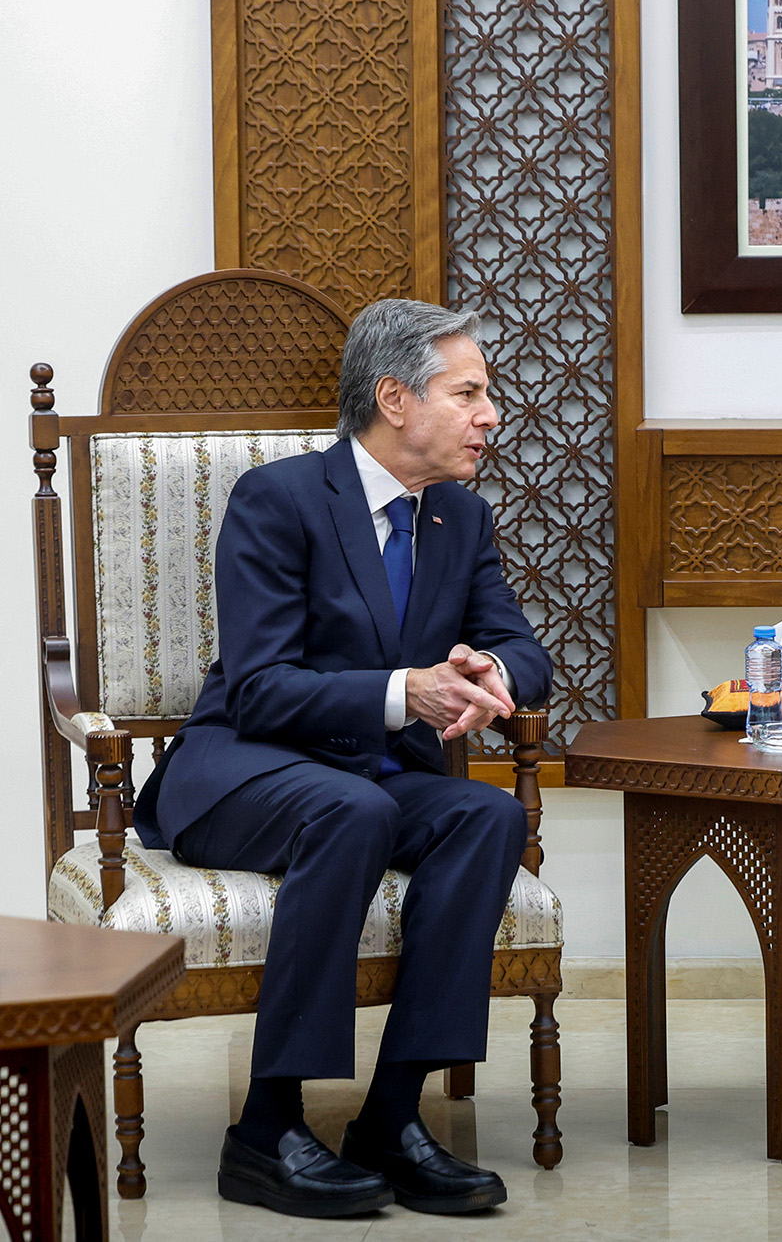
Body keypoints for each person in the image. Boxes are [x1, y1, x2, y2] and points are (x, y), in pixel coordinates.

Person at [135, 298, 553, 1218]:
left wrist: (489, 667)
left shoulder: (458, 520)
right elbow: (260, 688)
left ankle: (393, 1117)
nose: (491, 414)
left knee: (488, 816)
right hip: (241, 768)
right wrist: (408, 690)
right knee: (351, 810)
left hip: (366, 777)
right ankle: (267, 1129)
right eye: (470, 392)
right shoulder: (280, 499)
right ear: (395, 398)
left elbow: (529, 654)